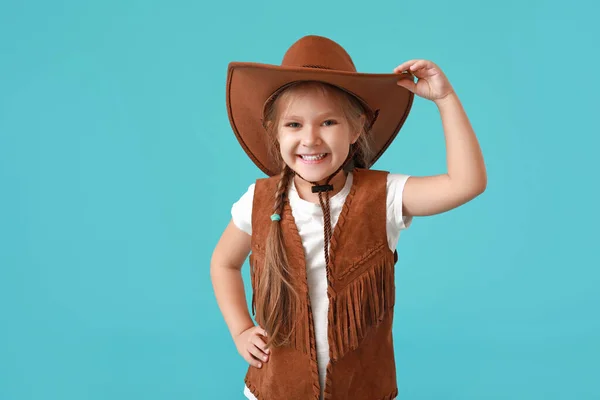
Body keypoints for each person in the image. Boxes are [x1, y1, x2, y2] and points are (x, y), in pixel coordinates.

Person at [210, 35, 486, 400]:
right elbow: (223, 263)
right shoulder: (258, 201)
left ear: (356, 129)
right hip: (275, 390)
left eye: (328, 122)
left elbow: (467, 183)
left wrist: (446, 101)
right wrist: (241, 329)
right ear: (275, 134)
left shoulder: (384, 195)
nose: (310, 139)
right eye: (293, 125)